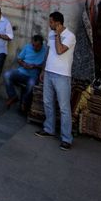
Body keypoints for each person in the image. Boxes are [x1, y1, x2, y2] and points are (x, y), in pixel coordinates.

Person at [35, 11, 76, 150]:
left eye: (51, 22)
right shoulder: (51, 34)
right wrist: (43, 69)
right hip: (48, 73)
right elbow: (49, 52)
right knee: (47, 102)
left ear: (58, 23)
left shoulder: (70, 36)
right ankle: (49, 129)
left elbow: (59, 50)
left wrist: (58, 34)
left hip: (62, 76)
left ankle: (66, 139)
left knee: (64, 108)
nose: (49, 24)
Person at [4, 34, 46, 112]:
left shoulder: (45, 51)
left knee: (31, 85)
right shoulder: (27, 47)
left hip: (33, 75)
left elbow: (45, 66)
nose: (34, 48)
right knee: (7, 75)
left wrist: (35, 66)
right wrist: (24, 64)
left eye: (37, 46)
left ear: (41, 45)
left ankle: (24, 102)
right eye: (33, 45)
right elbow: (19, 59)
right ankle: (13, 96)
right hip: (22, 71)